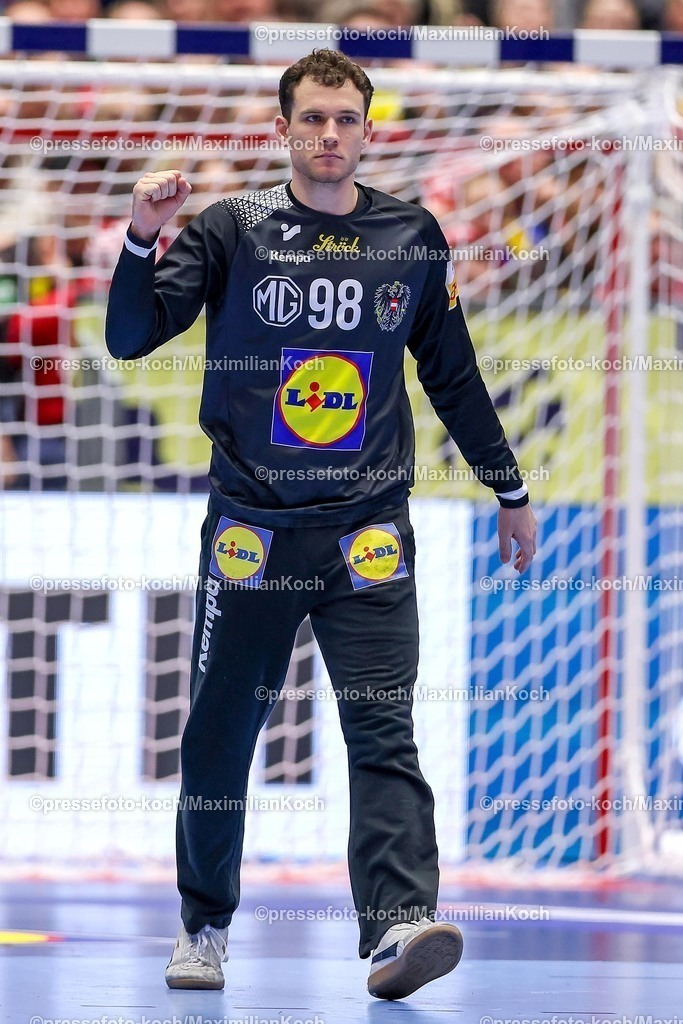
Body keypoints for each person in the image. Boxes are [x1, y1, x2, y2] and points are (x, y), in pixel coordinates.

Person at [105, 47, 536, 1000]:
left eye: (346, 119)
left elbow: (452, 379)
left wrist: (509, 490)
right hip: (253, 530)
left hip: (367, 531)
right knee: (220, 734)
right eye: (313, 119)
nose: (329, 134)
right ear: (284, 130)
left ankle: (396, 928)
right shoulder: (232, 228)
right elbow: (130, 338)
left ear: (368, 131)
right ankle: (204, 926)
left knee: (383, 731)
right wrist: (142, 239)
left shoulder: (411, 237)